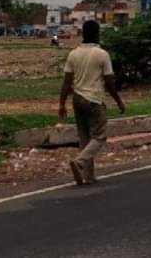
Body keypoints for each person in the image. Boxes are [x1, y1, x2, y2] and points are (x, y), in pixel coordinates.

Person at [58, 20, 126, 185]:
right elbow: (109, 82)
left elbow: (66, 82)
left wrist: (61, 104)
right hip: (94, 99)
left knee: (84, 138)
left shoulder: (73, 54)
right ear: (97, 34)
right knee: (99, 136)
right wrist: (118, 100)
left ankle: (88, 176)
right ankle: (80, 162)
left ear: (83, 34)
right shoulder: (102, 54)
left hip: (77, 98)